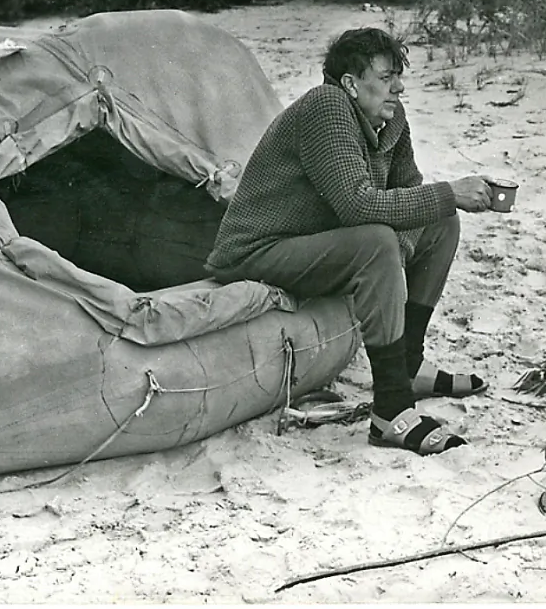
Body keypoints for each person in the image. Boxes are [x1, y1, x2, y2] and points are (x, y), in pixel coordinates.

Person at [205, 27, 495, 456]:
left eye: (398, 74)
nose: (397, 86)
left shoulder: (390, 118)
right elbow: (356, 206)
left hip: (313, 243)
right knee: (381, 237)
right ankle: (390, 410)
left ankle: (408, 363)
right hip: (257, 249)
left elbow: (409, 191)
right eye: (384, 76)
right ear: (349, 83)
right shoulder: (326, 106)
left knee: (441, 221)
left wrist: (410, 239)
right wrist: (445, 196)